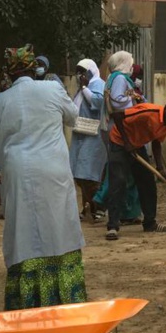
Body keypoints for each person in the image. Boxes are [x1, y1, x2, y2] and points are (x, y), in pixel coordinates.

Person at [0, 45, 86, 310]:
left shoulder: (0, 101)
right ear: (35, 68)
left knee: (23, 229)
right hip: (53, 168)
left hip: (17, 171)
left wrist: (3, 167)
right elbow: (73, 117)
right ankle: (64, 295)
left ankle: (27, 301)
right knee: (58, 225)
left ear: (9, 73)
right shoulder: (52, 89)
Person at [105, 100, 166, 240]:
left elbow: (156, 143)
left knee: (148, 182)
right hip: (119, 142)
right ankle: (112, 226)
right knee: (118, 181)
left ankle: (150, 223)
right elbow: (117, 116)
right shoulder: (148, 112)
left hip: (137, 145)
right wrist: (126, 142)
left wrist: (159, 168)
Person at [95, 50, 142, 223]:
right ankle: (107, 203)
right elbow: (117, 100)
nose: (132, 66)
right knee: (121, 170)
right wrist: (135, 99)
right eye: (130, 62)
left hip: (112, 128)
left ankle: (124, 211)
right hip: (119, 128)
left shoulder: (111, 78)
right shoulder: (120, 79)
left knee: (120, 169)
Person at [69, 59, 107, 222]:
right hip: (81, 134)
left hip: (93, 136)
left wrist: (85, 87)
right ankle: (87, 206)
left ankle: (98, 207)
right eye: (79, 72)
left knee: (89, 174)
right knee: (79, 174)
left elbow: (98, 102)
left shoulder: (97, 84)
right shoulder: (81, 88)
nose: (81, 76)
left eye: (83, 72)